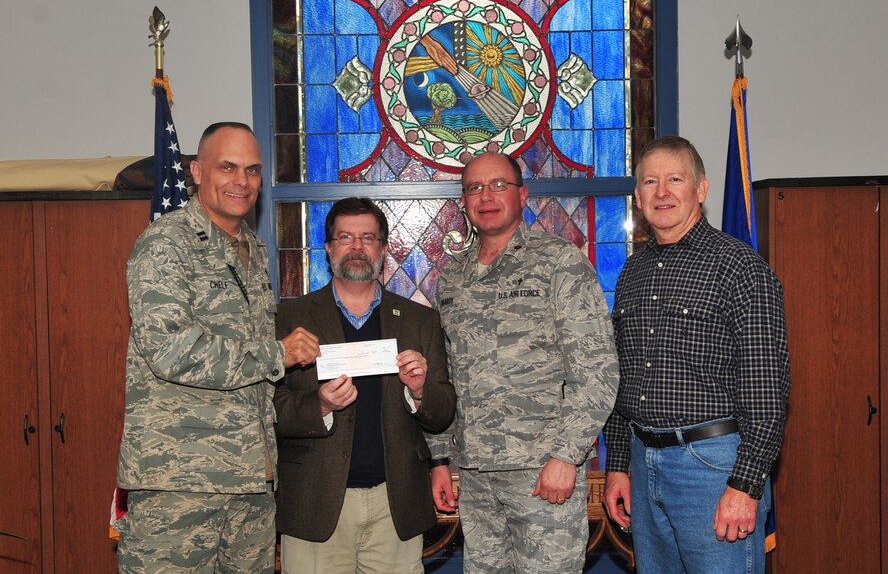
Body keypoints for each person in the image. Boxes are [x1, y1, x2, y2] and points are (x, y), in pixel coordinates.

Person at [116, 122, 320, 573]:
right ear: (197, 171)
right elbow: (170, 349)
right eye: (227, 167)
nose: (241, 181)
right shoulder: (166, 244)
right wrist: (276, 355)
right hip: (181, 482)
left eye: (251, 169)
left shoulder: (252, 248)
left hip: (251, 478)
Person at [602, 135, 790, 574]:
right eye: (650, 181)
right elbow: (620, 375)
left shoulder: (740, 268)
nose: (662, 193)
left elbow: (767, 390)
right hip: (643, 464)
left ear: (700, 190)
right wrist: (619, 465)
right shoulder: (633, 271)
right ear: (637, 196)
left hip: (713, 467)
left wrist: (744, 485)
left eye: (674, 180)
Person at [428, 152, 620, 573]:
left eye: (499, 185)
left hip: (542, 473)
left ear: (523, 195)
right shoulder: (453, 275)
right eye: (474, 188)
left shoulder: (559, 262)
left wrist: (566, 456)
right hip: (476, 476)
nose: (486, 196)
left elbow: (598, 371)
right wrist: (439, 459)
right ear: (463, 200)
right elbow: (445, 374)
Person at [274, 198, 456, 574]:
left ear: (384, 249)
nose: (357, 247)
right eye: (345, 237)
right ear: (328, 248)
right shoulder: (289, 318)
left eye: (368, 238)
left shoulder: (419, 321)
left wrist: (420, 391)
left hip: (396, 505)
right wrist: (319, 405)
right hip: (315, 503)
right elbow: (268, 408)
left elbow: (443, 413)